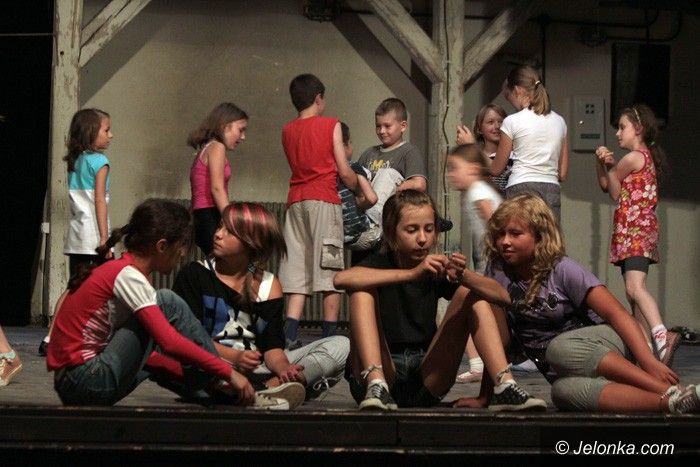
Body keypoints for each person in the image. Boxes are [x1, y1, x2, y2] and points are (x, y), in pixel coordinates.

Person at [46, 199, 304, 409]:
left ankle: (229, 393)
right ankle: (242, 389)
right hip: (85, 380)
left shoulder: (129, 274)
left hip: (77, 384)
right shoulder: (128, 276)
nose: (182, 255)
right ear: (162, 246)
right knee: (166, 301)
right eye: (181, 247)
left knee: (165, 357)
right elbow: (169, 341)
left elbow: (152, 357)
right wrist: (227, 372)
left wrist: (212, 381)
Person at [454, 194, 699, 413]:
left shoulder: (562, 269)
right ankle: (675, 402)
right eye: (500, 234)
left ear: (539, 236)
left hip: (603, 346)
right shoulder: (498, 272)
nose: (504, 241)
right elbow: (498, 340)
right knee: (562, 392)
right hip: (566, 366)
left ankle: (664, 388)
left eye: (515, 234)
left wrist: (648, 362)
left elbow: (617, 313)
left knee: (558, 348)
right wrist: (485, 396)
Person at [334, 189, 546, 412]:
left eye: (429, 229)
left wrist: (464, 275)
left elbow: (502, 296)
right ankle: (376, 384)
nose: (422, 238)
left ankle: (505, 386)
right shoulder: (379, 262)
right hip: (380, 374)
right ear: (391, 232)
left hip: (426, 378)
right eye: (412, 230)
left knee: (469, 292)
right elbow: (341, 279)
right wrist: (412, 274)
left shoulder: (435, 267)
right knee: (361, 291)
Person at [172, 202, 350, 400]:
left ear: (251, 242)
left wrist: (284, 368)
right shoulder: (194, 274)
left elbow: (272, 349)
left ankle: (276, 385)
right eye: (220, 226)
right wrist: (235, 357)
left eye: (229, 231)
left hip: (258, 369)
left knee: (341, 345)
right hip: (212, 362)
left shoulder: (269, 285)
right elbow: (188, 339)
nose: (218, 234)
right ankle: (270, 391)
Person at [278, 74, 359, 349]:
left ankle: (289, 335)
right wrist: (360, 188)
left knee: (297, 269)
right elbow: (344, 171)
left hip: (295, 202)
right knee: (329, 271)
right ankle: (328, 339)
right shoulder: (330, 124)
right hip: (324, 199)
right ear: (318, 98)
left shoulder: (287, 130)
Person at [595, 104, 679, 365]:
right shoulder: (639, 158)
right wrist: (601, 164)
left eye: (622, 127)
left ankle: (662, 336)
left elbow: (614, 192)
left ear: (639, 129)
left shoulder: (634, 157)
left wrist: (610, 166)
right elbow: (608, 185)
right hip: (630, 233)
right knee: (633, 295)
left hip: (635, 232)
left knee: (635, 288)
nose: (618, 133)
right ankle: (646, 352)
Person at [41, 108, 115, 356]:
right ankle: (94, 337)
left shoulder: (77, 161)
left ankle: (51, 336)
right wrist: (105, 239)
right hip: (93, 236)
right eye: (106, 130)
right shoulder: (100, 162)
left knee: (74, 287)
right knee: (103, 288)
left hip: (77, 235)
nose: (111, 135)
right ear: (91, 132)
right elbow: (99, 201)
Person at [446, 144, 503, 383]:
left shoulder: (478, 191)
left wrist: (497, 254)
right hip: (487, 262)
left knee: (467, 305)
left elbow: (494, 222)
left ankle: (479, 362)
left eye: (454, 168)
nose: (450, 174)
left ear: (472, 169)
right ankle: (480, 362)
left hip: (491, 263)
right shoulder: (477, 190)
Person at [491, 66, 568, 222]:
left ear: (517, 90)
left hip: (521, 188)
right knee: (548, 236)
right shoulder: (560, 121)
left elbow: (496, 169)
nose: (511, 103)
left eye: (509, 97)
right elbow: (562, 173)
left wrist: (473, 149)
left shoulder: (512, 121)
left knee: (519, 235)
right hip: (551, 190)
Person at [188, 102, 248, 256]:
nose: (243, 137)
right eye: (240, 130)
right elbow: (217, 188)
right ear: (225, 126)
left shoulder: (207, 147)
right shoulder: (217, 147)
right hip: (209, 215)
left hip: (202, 216)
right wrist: (231, 221)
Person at [336, 122, 380, 250]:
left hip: (339, 239)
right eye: (350, 142)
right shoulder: (353, 166)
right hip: (362, 235)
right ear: (343, 146)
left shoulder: (324, 171)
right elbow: (372, 198)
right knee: (389, 174)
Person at [456, 104, 511, 196]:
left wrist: (472, 146)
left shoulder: (512, 154)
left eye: (501, 122)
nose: (497, 126)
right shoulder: (473, 157)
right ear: (479, 129)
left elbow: (502, 177)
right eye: (490, 122)